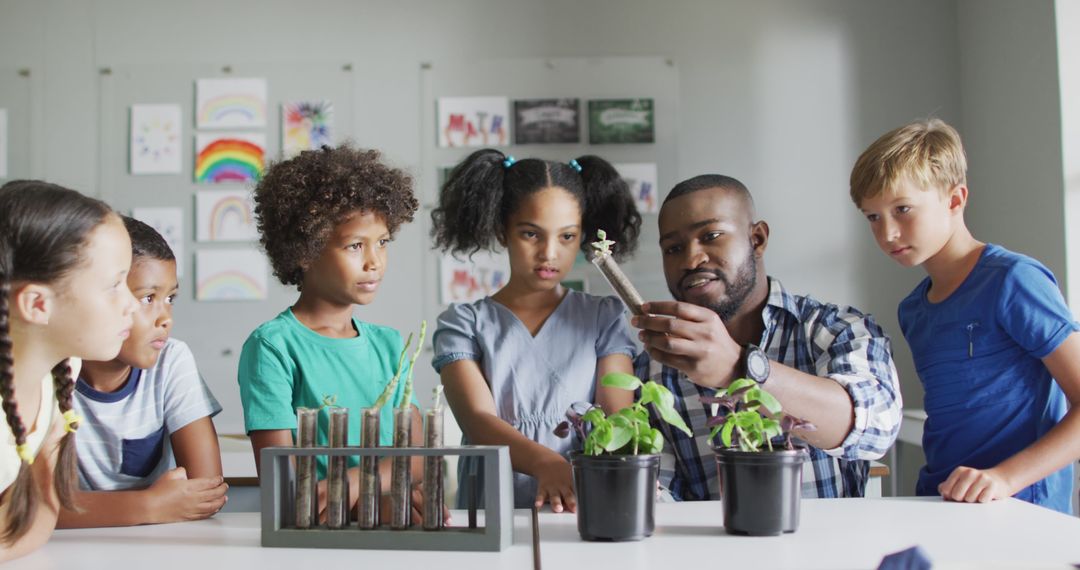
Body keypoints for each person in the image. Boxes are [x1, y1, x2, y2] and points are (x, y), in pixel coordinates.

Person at [852, 118, 1080, 512]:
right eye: (873, 216)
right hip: (943, 503)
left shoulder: (1013, 280)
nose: (887, 233)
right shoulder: (913, 309)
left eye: (902, 209)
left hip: (1020, 510)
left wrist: (1003, 478)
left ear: (955, 200)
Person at [632, 174, 902, 500]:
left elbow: (877, 429)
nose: (691, 260)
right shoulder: (654, 370)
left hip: (832, 550)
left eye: (712, 235)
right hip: (713, 550)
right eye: (673, 248)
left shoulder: (835, 329)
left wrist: (740, 368)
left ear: (757, 239)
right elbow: (661, 500)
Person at [430, 149, 641, 512]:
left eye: (567, 237)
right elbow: (478, 420)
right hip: (492, 504)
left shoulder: (604, 317)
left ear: (584, 237)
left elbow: (617, 416)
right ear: (502, 231)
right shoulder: (464, 323)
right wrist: (545, 462)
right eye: (531, 234)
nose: (549, 253)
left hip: (582, 499)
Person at [238, 144, 428, 522]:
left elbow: (421, 459)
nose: (375, 261)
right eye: (355, 245)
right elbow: (283, 480)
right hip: (317, 534)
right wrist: (384, 484)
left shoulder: (390, 345)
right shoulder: (273, 347)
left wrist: (361, 479)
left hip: (394, 528)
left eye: (383, 243)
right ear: (305, 251)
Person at [0, 180, 136, 561]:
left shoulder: (60, 370)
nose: (132, 305)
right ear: (37, 304)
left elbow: (41, 514)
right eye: (114, 286)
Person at [59, 216, 225, 528]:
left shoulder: (172, 360)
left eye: (170, 298)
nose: (165, 317)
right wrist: (149, 505)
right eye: (148, 298)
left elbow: (207, 492)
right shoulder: (53, 371)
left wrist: (81, 509)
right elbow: (36, 506)